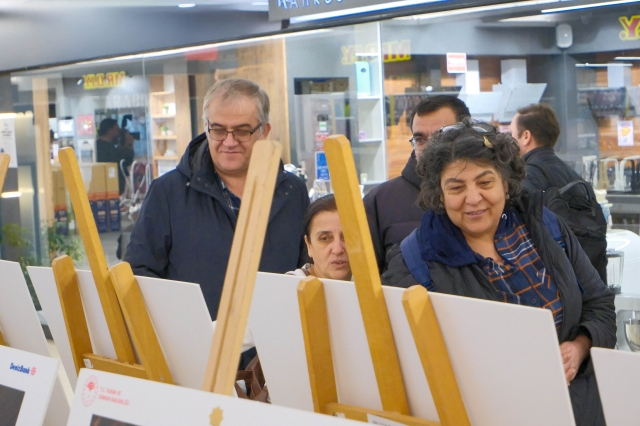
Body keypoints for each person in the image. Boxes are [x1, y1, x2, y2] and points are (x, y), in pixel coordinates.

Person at [382, 120, 615, 426]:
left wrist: (580, 346)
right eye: (456, 187)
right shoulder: (415, 261)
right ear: (439, 194)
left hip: (578, 413)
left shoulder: (544, 226)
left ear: (505, 182)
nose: (473, 198)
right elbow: (400, 360)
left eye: (485, 182)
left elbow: (600, 304)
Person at [125, 78, 310, 320]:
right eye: (219, 130)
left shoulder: (292, 192)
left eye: (242, 131)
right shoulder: (168, 193)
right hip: (196, 350)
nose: (229, 142)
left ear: (264, 131)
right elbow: (138, 272)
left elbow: (307, 270)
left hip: (274, 349)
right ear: (206, 127)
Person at [364, 96, 469, 273]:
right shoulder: (381, 202)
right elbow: (369, 280)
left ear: (467, 135)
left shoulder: (487, 194)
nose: (429, 148)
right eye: (420, 139)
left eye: (439, 137)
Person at [510, 103, 607, 284]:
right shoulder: (574, 176)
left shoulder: (526, 177)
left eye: (512, 135)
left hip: (554, 280)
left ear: (526, 136)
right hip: (588, 276)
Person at [287, 194, 351, 280]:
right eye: (324, 238)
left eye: (347, 237)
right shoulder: (287, 286)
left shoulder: (371, 286)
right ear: (309, 245)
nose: (338, 250)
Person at [95, 118, 134, 194]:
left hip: (109, 189)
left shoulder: (103, 146)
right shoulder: (105, 148)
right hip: (108, 190)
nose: (119, 133)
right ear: (109, 130)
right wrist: (129, 145)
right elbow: (126, 161)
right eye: (116, 130)